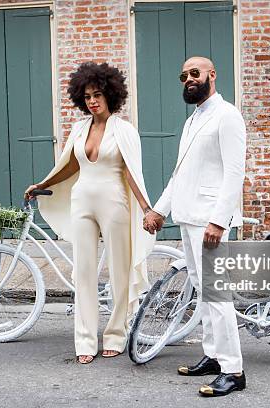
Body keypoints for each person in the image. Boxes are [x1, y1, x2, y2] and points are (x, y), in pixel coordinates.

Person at [25, 62, 156, 364]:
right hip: (81, 199)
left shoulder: (124, 131)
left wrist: (147, 209)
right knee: (82, 271)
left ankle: (115, 335)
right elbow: (69, 164)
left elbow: (133, 173)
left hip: (115, 201)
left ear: (111, 94)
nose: (93, 101)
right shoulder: (79, 128)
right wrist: (42, 184)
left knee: (119, 271)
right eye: (87, 97)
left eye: (98, 94)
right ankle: (85, 339)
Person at [143, 56, 247, 397]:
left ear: (212, 75)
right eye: (184, 74)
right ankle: (214, 356)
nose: (188, 78)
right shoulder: (192, 120)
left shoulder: (227, 115)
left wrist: (219, 220)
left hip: (209, 221)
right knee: (203, 293)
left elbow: (234, 173)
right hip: (187, 217)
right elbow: (180, 174)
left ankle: (233, 370)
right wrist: (159, 211)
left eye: (195, 73)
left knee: (217, 295)